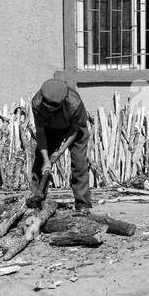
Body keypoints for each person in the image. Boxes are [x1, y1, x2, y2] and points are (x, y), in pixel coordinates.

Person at [29, 78, 92, 212]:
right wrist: (46, 159)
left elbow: (75, 129)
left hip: (75, 130)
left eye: (53, 106)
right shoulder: (37, 103)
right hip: (50, 128)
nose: (49, 107)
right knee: (40, 162)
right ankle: (36, 200)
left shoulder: (75, 103)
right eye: (46, 104)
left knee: (79, 163)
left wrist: (60, 151)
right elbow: (40, 131)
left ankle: (83, 203)